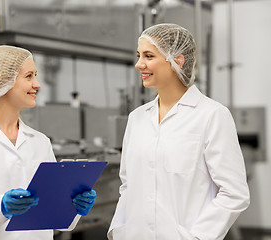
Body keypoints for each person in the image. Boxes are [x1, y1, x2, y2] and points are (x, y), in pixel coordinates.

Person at [107, 23, 250, 240]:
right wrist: (119, 231)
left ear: (177, 60)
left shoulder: (211, 115)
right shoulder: (137, 118)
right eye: (138, 55)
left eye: (148, 56)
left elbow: (234, 193)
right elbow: (128, 185)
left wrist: (197, 236)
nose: (139, 64)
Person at [0, 45, 96, 240]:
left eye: (36, 75)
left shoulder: (40, 142)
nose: (37, 84)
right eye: (29, 76)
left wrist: (73, 206)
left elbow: (54, 216)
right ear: (2, 81)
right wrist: (0, 207)